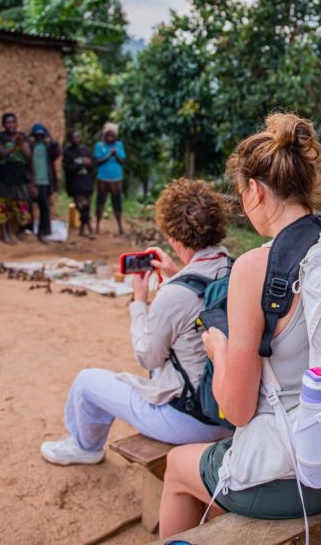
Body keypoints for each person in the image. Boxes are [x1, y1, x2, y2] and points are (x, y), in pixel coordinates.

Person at [158, 113, 321, 539]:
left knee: (176, 466)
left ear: (256, 191)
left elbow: (237, 410)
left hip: (288, 479)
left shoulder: (255, 267)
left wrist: (218, 350)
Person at [40, 177, 234, 465]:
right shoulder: (233, 266)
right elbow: (202, 298)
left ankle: (85, 447)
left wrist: (139, 302)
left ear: (172, 237)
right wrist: (176, 273)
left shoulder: (173, 294)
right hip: (229, 411)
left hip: (191, 420)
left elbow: (147, 357)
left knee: (86, 382)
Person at [0, 113, 32, 245]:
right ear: (3, 125)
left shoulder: (22, 136)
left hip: (18, 177)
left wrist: (22, 143)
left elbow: (28, 155)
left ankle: (19, 231)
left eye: (13, 122)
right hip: (2, 177)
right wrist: (15, 144)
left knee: (20, 206)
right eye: (8, 123)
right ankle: (4, 233)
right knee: (2, 206)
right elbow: (1, 153)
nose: (11, 125)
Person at [28, 123, 60, 243]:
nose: (39, 137)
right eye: (37, 135)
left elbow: (57, 152)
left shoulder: (48, 147)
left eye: (41, 135)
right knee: (28, 208)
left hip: (45, 182)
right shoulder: (30, 147)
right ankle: (28, 231)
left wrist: (52, 139)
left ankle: (43, 233)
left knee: (45, 209)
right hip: (32, 182)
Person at [93, 123, 125, 235]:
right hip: (102, 179)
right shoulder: (99, 146)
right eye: (108, 135)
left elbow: (122, 161)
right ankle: (97, 225)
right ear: (105, 135)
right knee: (100, 202)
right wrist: (109, 155)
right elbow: (97, 161)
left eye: (112, 135)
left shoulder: (119, 145)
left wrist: (115, 155)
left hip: (116, 179)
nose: (110, 137)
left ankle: (120, 226)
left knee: (117, 203)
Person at [63, 129, 95, 238]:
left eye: (77, 137)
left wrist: (88, 163)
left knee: (87, 206)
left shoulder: (86, 150)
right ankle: (90, 228)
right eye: (73, 137)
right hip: (75, 184)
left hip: (86, 182)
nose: (76, 139)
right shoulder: (68, 152)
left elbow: (92, 165)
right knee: (81, 206)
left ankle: (82, 229)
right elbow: (67, 169)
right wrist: (80, 164)